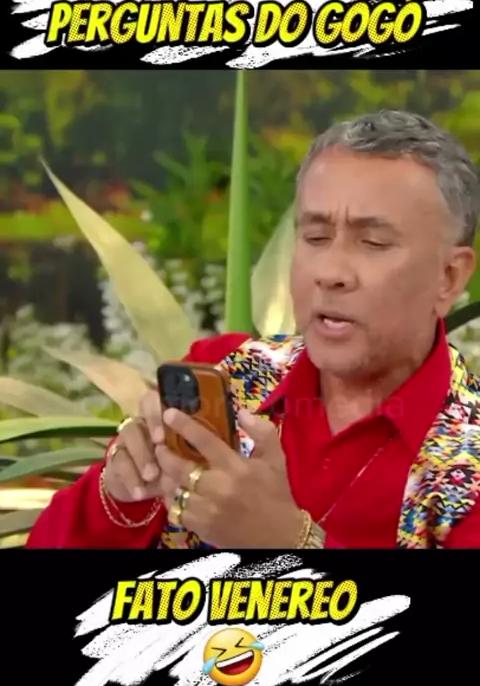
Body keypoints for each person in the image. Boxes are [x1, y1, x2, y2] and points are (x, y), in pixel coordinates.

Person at [27, 109, 480, 549]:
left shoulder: (467, 463)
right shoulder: (224, 374)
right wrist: (120, 497)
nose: (331, 272)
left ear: (449, 277)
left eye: (374, 242)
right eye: (315, 237)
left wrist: (289, 544)